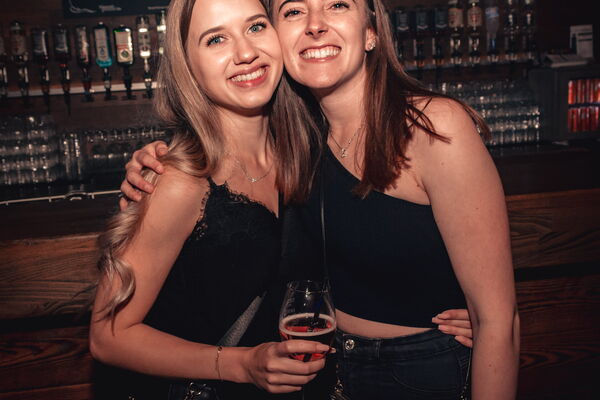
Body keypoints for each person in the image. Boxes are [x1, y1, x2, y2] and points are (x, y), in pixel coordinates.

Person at [120, 1, 518, 400]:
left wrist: (486, 322)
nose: (315, 25)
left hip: (419, 373)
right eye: (294, 11)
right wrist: (157, 165)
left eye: (337, 4)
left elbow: (499, 321)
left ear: (371, 32)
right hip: (325, 374)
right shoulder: (298, 141)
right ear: (278, 38)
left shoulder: (432, 127)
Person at [89, 0, 331, 399]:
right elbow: (108, 336)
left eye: (255, 27)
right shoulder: (180, 181)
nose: (246, 52)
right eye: (216, 39)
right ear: (188, 67)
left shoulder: (308, 152)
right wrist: (240, 365)